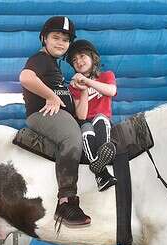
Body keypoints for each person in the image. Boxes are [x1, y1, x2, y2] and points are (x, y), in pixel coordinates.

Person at [19, 16, 91, 228]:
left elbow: (81, 114)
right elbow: (25, 77)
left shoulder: (54, 67)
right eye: (56, 37)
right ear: (44, 38)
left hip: (64, 116)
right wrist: (50, 96)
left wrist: (84, 92)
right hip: (43, 114)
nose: (61, 43)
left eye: (65, 40)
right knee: (71, 137)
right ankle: (65, 201)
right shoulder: (40, 59)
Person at [66, 39, 118, 191]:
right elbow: (81, 115)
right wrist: (82, 90)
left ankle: (99, 170)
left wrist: (87, 82)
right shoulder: (74, 86)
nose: (79, 61)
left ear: (92, 57)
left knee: (100, 119)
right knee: (86, 127)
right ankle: (101, 172)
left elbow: (111, 91)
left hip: (103, 123)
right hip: (86, 123)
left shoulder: (106, 75)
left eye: (82, 56)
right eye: (74, 60)